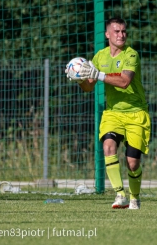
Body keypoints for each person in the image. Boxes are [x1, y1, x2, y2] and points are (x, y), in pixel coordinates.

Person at [65, 17, 151, 209]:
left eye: (123, 31)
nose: (121, 35)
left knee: (132, 163)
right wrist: (78, 78)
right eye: (117, 31)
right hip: (113, 113)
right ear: (107, 35)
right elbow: (89, 87)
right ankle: (120, 195)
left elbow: (124, 81)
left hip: (136, 113)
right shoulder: (100, 56)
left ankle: (134, 197)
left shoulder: (131, 55)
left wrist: (99, 75)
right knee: (108, 146)